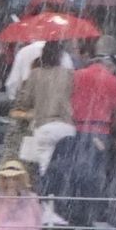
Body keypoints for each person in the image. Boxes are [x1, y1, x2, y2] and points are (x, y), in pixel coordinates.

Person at [13, 40, 76, 171]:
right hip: (66, 126)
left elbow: (25, 102)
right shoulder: (69, 74)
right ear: (60, 56)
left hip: (44, 126)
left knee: (45, 168)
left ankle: (48, 190)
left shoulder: (35, 74)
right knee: (66, 168)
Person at [72, 36, 116, 141]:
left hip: (77, 130)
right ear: (111, 65)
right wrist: (111, 127)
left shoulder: (76, 76)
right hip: (101, 132)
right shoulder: (114, 81)